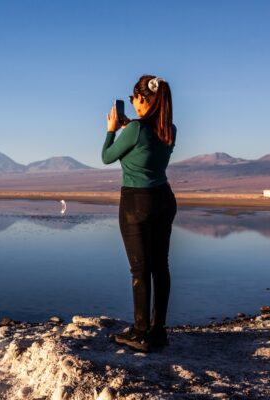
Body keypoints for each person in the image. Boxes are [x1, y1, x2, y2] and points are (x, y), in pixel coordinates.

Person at [101, 75, 177, 352]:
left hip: (136, 202)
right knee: (161, 266)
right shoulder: (170, 128)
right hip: (164, 199)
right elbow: (145, 147)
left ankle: (141, 332)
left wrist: (112, 129)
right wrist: (130, 126)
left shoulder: (134, 129)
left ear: (143, 99)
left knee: (139, 269)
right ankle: (159, 331)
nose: (133, 104)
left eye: (134, 99)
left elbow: (107, 156)